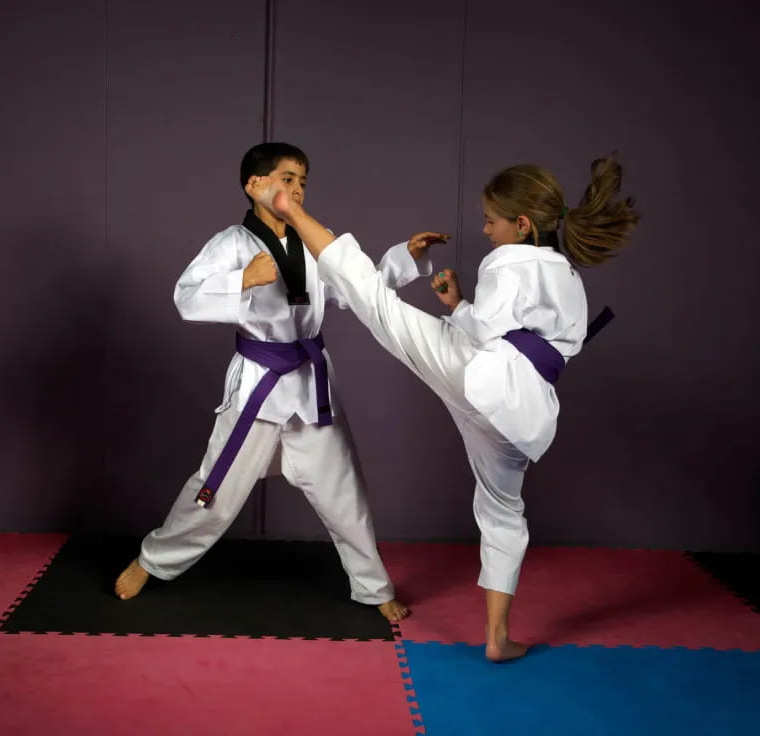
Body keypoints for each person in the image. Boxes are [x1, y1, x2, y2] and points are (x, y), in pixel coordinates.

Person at [244, 155, 639, 659]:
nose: (485, 230)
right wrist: (458, 307)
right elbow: (537, 337)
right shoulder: (569, 277)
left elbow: (489, 332)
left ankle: (292, 212)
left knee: (374, 300)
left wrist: (464, 313)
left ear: (521, 225)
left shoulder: (507, 261)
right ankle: (497, 637)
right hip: (522, 417)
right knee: (504, 513)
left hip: (480, 378)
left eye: (491, 221)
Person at [115, 142, 450, 622]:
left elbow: (353, 287)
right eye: (286, 179)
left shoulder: (314, 237)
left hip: (311, 384)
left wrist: (404, 260)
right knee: (215, 490)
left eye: (302, 182)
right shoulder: (232, 244)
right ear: (253, 184)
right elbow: (186, 298)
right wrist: (243, 280)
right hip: (259, 383)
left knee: (344, 491)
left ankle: (374, 587)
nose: (297, 190)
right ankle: (152, 560)